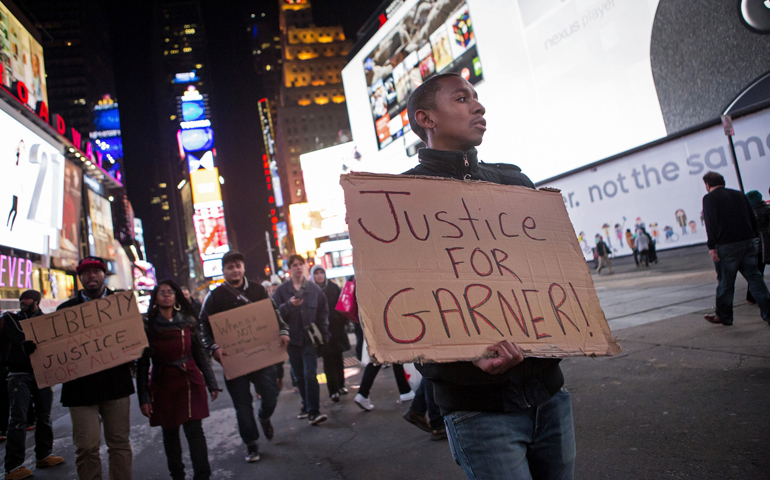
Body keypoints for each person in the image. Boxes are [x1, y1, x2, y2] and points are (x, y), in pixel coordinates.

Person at [402, 73, 575, 479]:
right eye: (462, 99)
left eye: (477, 98)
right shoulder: (402, 198)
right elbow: (402, 308)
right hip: (477, 410)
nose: (478, 107)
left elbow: (547, 269)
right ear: (426, 118)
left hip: (549, 394)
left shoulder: (514, 182)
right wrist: (464, 352)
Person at [199, 251, 290, 462]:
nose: (235, 270)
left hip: (262, 357)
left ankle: (264, 416)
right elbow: (203, 326)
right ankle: (251, 443)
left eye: (238, 265)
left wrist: (283, 332)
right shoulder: (214, 297)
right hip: (233, 360)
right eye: (230, 267)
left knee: (271, 393)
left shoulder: (259, 290)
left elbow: (275, 315)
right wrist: (213, 347)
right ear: (223, 271)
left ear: (243, 267)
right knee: (242, 405)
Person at [57, 256, 134, 480]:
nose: (91, 275)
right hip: (80, 390)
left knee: (119, 444)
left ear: (103, 275)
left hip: (115, 385)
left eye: (96, 271)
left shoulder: (122, 304)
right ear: (80, 277)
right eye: (86, 272)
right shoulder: (65, 310)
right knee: (86, 447)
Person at [137, 280, 220, 480]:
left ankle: (203, 475)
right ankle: (177, 475)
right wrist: (144, 398)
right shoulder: (147, 327)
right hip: (162, 384)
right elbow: (142, 365)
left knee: (195, 432)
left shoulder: (188, 321)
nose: (166, 295)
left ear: (176, 297)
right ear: (155, 298)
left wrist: (211, 382)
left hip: (189, 381)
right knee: (170, 433)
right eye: (162, 292)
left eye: (170, 292)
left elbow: (200, 354)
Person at [0, 290, 65, 480]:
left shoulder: (46, 321)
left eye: (27, 299)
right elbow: (18, 335)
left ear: (36, 301)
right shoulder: (12, 318)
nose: (23, 301)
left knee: (44, 415)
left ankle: (44, 455)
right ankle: (13, 467)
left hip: (42, 373)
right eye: (22, 299)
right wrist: (24, 345)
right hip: (19, 374)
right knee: (18, 419)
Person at [701, 172, 770, 326]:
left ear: (707, 185)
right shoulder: (739, 195)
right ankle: (769, 314)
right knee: (756, 280)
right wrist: (752, 236)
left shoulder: (709, 198)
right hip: (747, 242)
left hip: (726, 245)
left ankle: (724, 316)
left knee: (725, 282)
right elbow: (751, 217)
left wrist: (712, 247)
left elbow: (710, 222)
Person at [273, 255, 330, 425]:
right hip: (291, 340)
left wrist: (324, 334)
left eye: (300, 264)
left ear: (305, 267)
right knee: (299, 377)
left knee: (310, 374)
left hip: (309, 339)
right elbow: (274, 314)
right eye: (294, 265)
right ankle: (306, 404)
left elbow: (323, 313)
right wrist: (289, 305)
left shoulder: (314, 289)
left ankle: (314, 412)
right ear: (289, 268)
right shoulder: (282, 291)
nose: (298, 267)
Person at [311, 265, 350, 401]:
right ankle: (333, 390)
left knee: (339, 358)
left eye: (321, 272)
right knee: (328, 360)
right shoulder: (311, 290)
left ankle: (341, 385)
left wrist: (344, 321)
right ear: (313, 276)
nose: (320, 275)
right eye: (316, 273)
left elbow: (343, 305)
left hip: (337, 328)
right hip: (322, 331)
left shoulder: (333, 287)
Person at [746, 190, 770, 304]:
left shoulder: (751, 212)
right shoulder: (766, 209)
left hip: (757, 245)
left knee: (757, 272)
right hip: (766, 243)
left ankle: (751, 296)